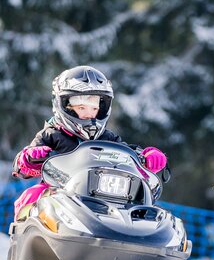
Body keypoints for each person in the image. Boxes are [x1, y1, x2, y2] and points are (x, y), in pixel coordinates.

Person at [12, 65, 167, 220]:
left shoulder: (107, 138)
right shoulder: (51, 134)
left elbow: (126, 152)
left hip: (104, 196)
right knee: (32, 195)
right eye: (82, 108)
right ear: (65, 106)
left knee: (147, 207)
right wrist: (30, 157)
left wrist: (146, 156)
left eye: (94, 108)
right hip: (59, 194)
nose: (89, 114)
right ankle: (24, 235)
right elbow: (21, 169)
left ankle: (142, 234)